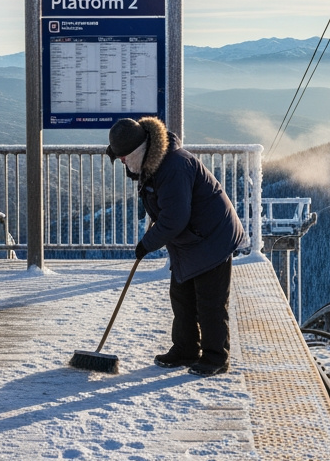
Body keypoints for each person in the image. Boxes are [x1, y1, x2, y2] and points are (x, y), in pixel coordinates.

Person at [106, 116, 247, 376]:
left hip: (211, 238)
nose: (122, 162)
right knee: (182, 297)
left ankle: (216, 357)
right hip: (190, 240)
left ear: (137, 152)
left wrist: (147, 244)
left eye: (124, 157)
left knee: (210, 302)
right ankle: (186, 349)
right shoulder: (154, 162)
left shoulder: (173, 167)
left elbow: (175, 219)